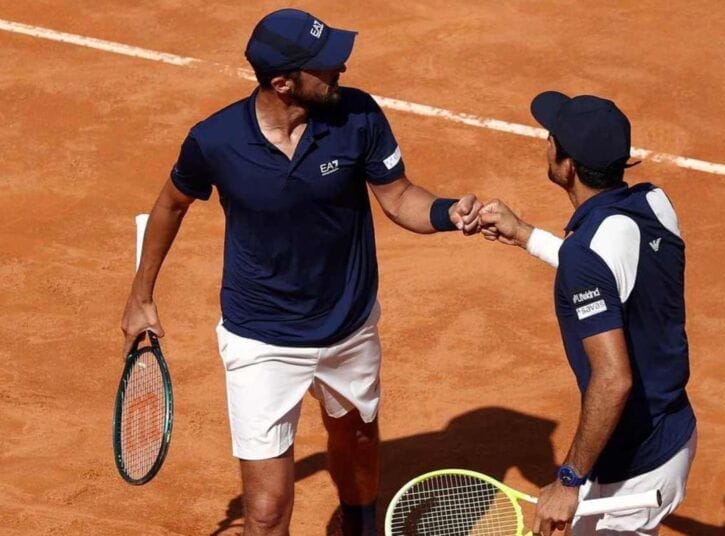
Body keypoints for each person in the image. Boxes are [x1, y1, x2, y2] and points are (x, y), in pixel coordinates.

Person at [120, 8, 482, 536]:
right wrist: (141, 295)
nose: (341, 69)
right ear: (283, 84)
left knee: (357, 441)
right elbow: (172, 204)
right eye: (326, 65)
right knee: (266, 513)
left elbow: (400, 196)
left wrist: (449, 213)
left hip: (348, 327)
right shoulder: (215, 140)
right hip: (261, 339)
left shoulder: (358, 116)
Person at [478, 92, 696, 535]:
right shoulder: (655, 205)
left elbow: (613, 379)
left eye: (552, 138)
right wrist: (525, 235)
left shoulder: (586, 255)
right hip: (673, 433)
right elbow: (610, 268)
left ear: (568, 166)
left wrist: (568, 480)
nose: (547, 142)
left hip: (634, 465)